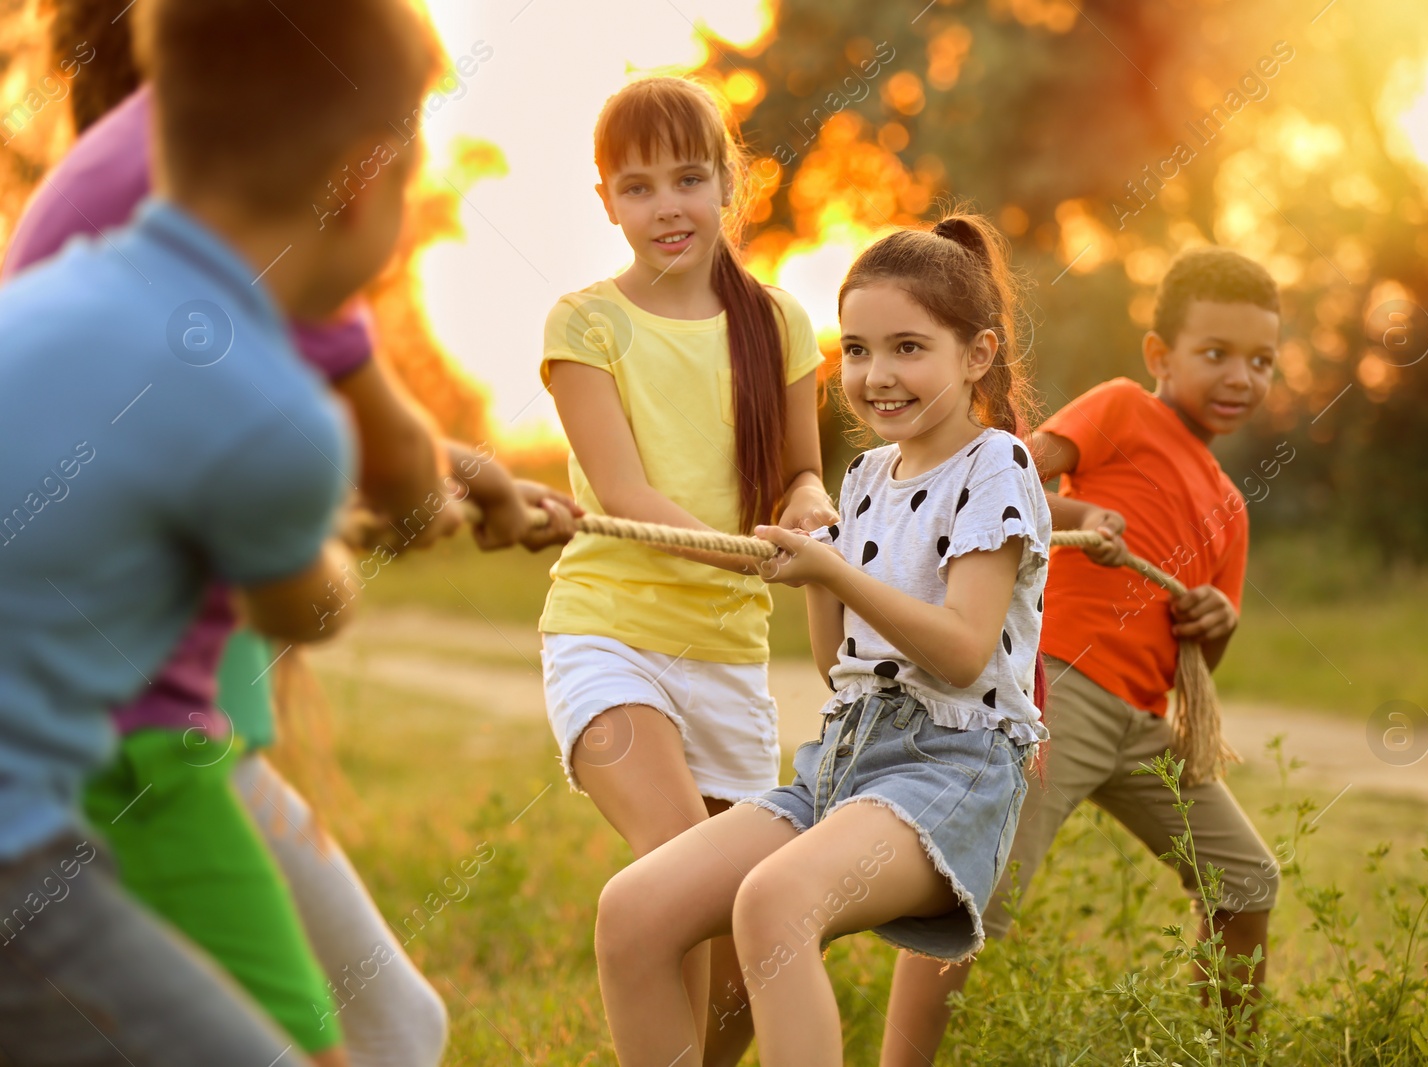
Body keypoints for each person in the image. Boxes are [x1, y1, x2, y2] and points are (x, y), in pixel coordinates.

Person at [0, 7, 578, 1066]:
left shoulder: (54, 292)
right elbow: (304, 604)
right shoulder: (276, 412)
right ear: (362, 184)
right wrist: (335, 535)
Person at [591, 212, 1052, 1067]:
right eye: (859, 350)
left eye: (909, 347)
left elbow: (961, 651)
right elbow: (841, 660)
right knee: (633, 911)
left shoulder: (998, 465)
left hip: (950, 769)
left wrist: (835, 572)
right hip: (843, 758)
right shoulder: (868, 475)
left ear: (978, 354)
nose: (878, 375)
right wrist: (810, 560)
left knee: (773, 902)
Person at [880, 246, 1284, 1064]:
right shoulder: (1124, 411)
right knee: (978, 896)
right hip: (1056, 689)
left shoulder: (1231, 506)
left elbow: (1204, 660)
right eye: (1217, 354)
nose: (1241, 374)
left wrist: (1215, 620)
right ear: (1160, 357)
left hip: (1143, 726)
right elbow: (1007, 476)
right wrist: (1082, 510)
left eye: (1263, 360)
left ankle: (1222, 1052)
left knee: (1247, 882)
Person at [537, 75, 835, 1064]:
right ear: (606, 201)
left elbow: (800, 471)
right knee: (673, 868)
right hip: (610, 631)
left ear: (728, 184)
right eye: (636, 187)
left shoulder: (781, 324)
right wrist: (745, 549)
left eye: (688, 178)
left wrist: (808, 514)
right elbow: (620, 491)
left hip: (727, 655)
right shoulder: (583, 324)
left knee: (746, 945)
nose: (665, 206)